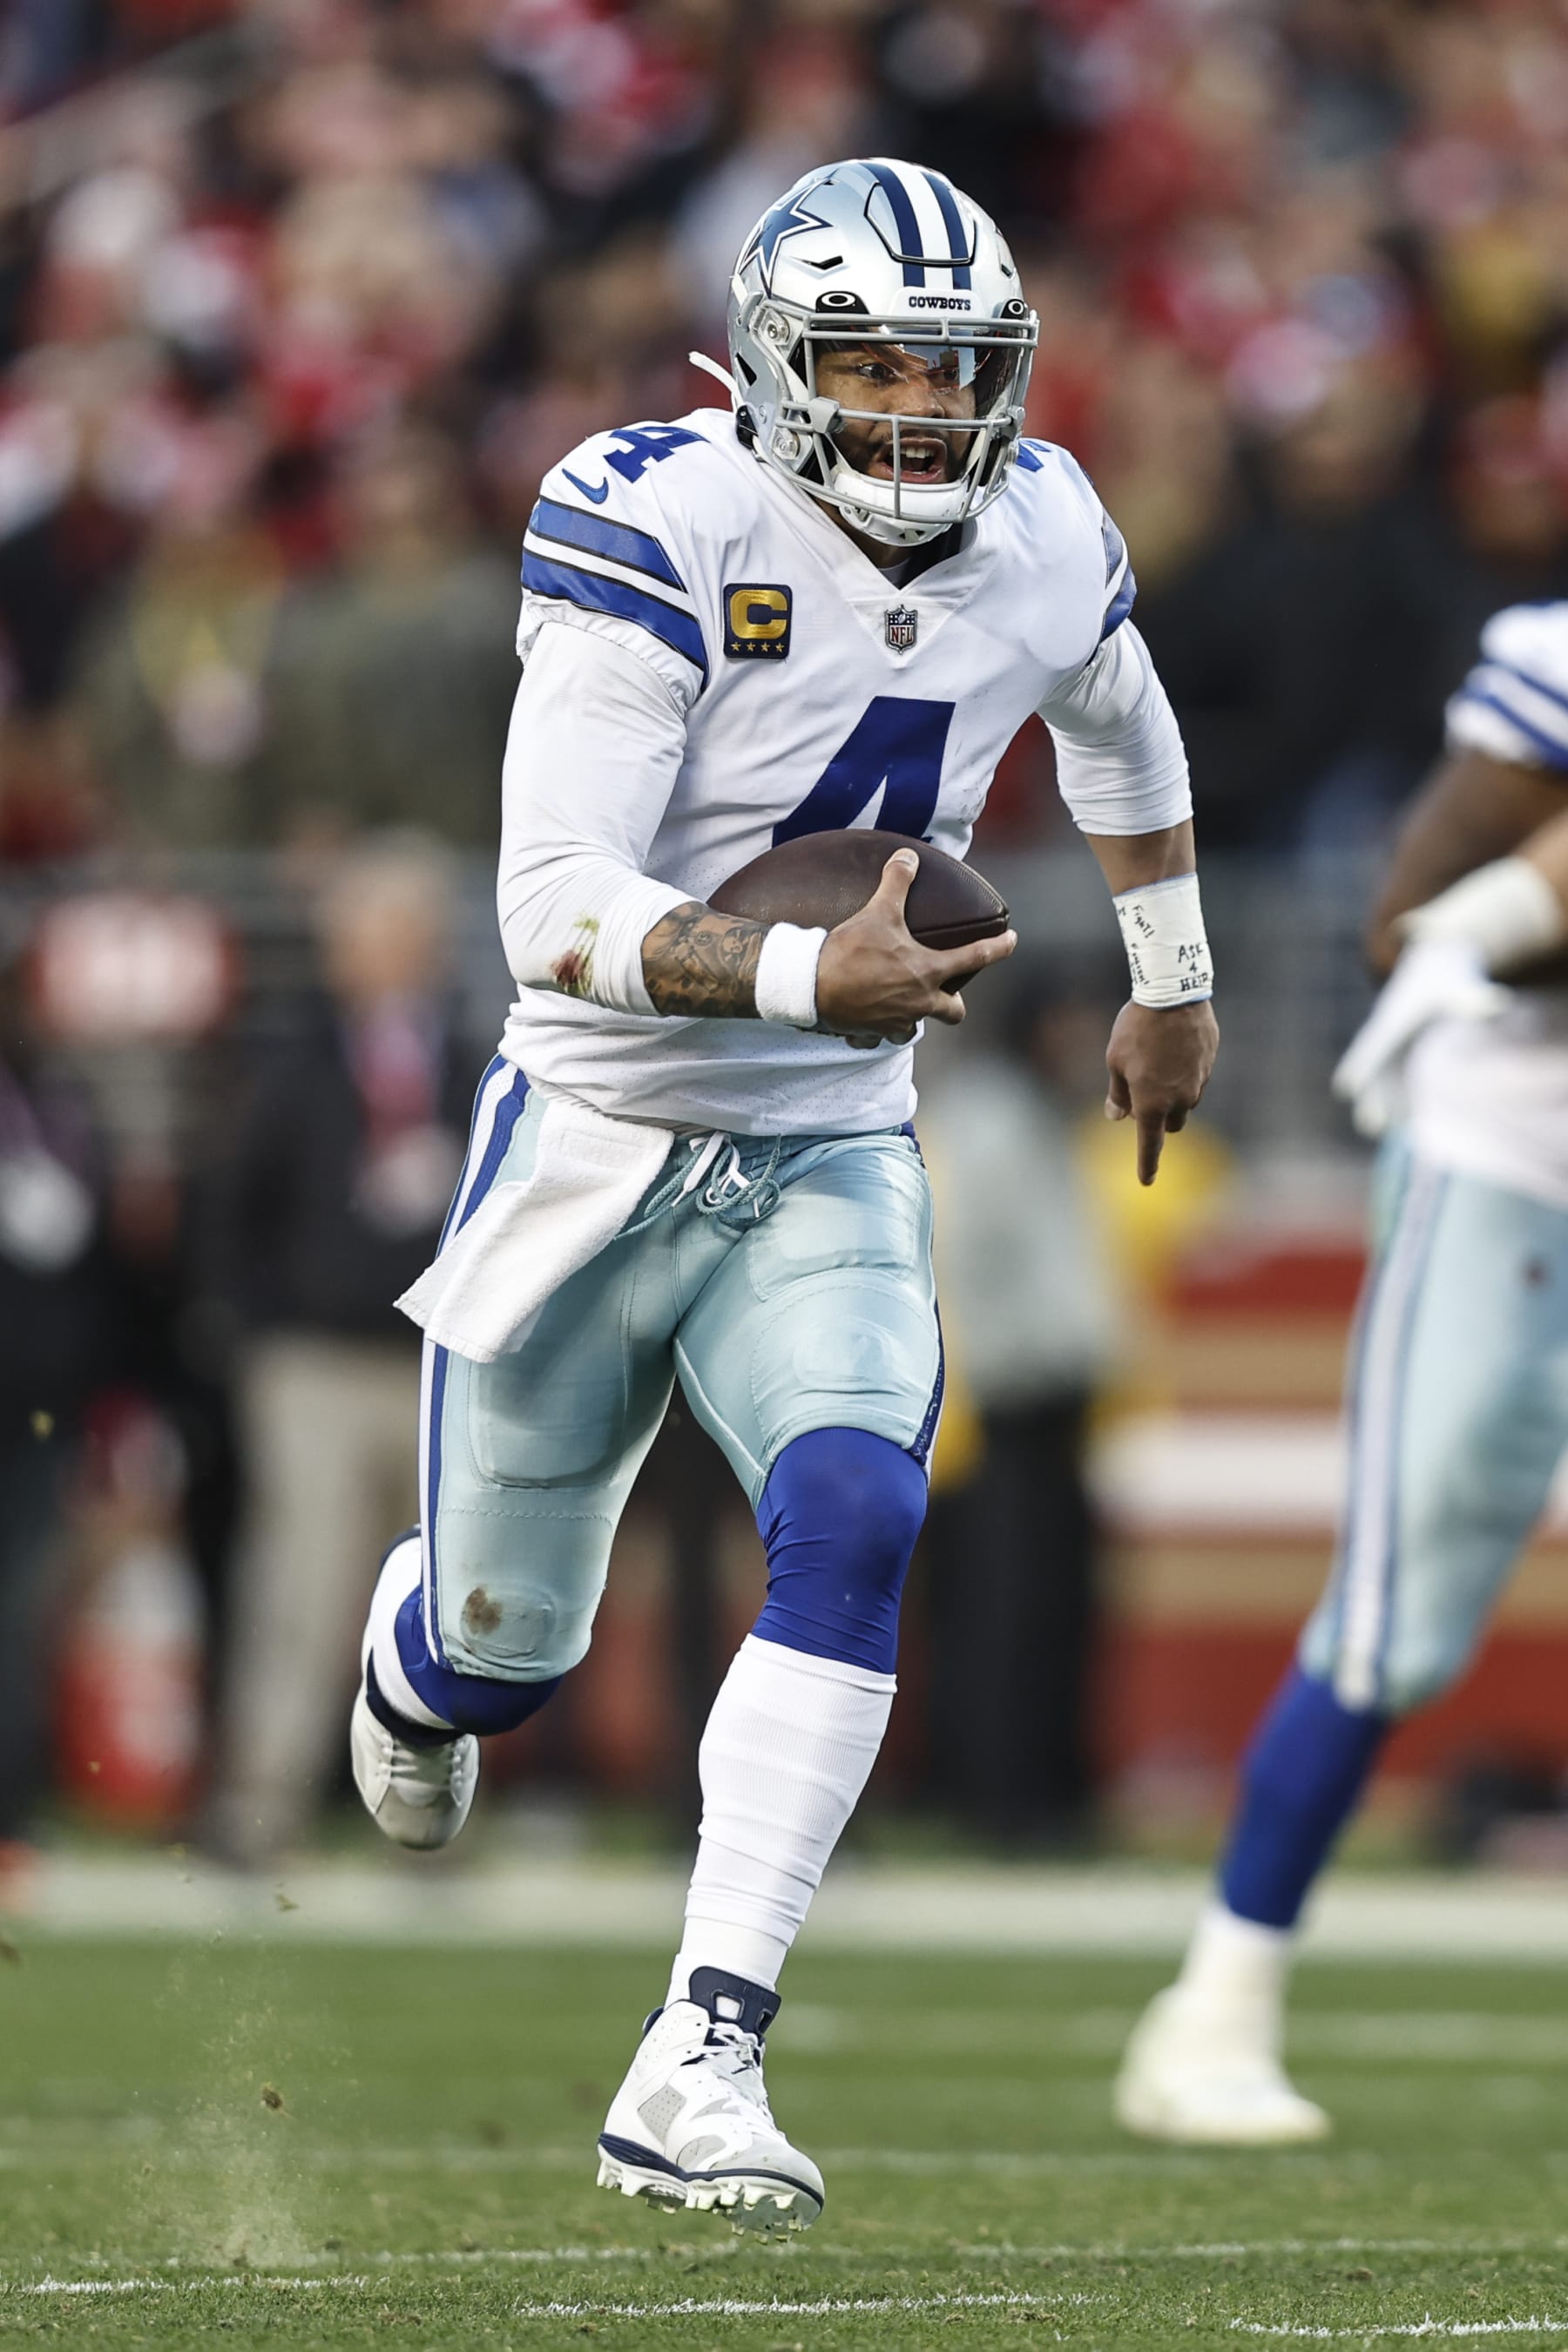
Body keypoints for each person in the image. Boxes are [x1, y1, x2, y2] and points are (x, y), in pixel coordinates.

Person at [348, 157, 1218, 2232]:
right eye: (871, 364)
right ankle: (417, 1657)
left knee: (857, 1511)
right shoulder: (657, 515)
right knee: (505, 1652)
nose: (918, 412)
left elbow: (1119, 717)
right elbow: (549, 905)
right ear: (764, 362)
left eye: (954, 371)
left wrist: (1178, 977)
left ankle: (702, 2048)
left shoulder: (1047, 524)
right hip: (593, 1140)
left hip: (825, 1143)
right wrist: (813, 971)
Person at [1117, 600, 1568, 2146]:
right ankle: (1216, 2008)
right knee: (1400, 1615)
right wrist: (1491, 926)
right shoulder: (1550, 673)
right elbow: (1405, 918)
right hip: (1516, 1149)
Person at [205, 835, 476, 1865]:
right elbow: (232, 1204)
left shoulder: (465, 1056)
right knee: (303, 1588)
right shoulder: (293, 1058)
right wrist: (258, 1320)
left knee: (446, 1599)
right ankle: (261, 1802)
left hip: (430, 1364)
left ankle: (427, 1815)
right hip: (314, 1360)